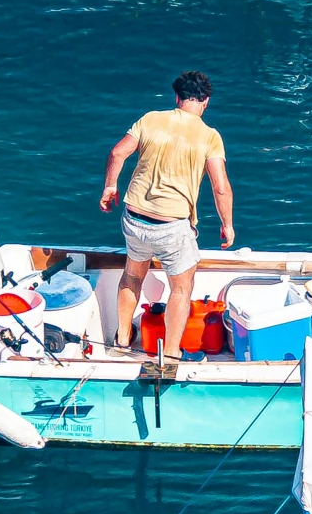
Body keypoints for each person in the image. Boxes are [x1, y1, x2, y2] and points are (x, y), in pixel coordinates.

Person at [99, 72, 234, 371]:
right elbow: (220, 186)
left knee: (133, 275)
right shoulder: (210, 136)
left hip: (134, 217)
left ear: (177, 98)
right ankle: (170, 356)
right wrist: (227, 224)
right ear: (206, 101)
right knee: (181, 289)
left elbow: (118, 152)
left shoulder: (150, 119)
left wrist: (110, 186)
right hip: (171, 226)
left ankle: (122, 343)